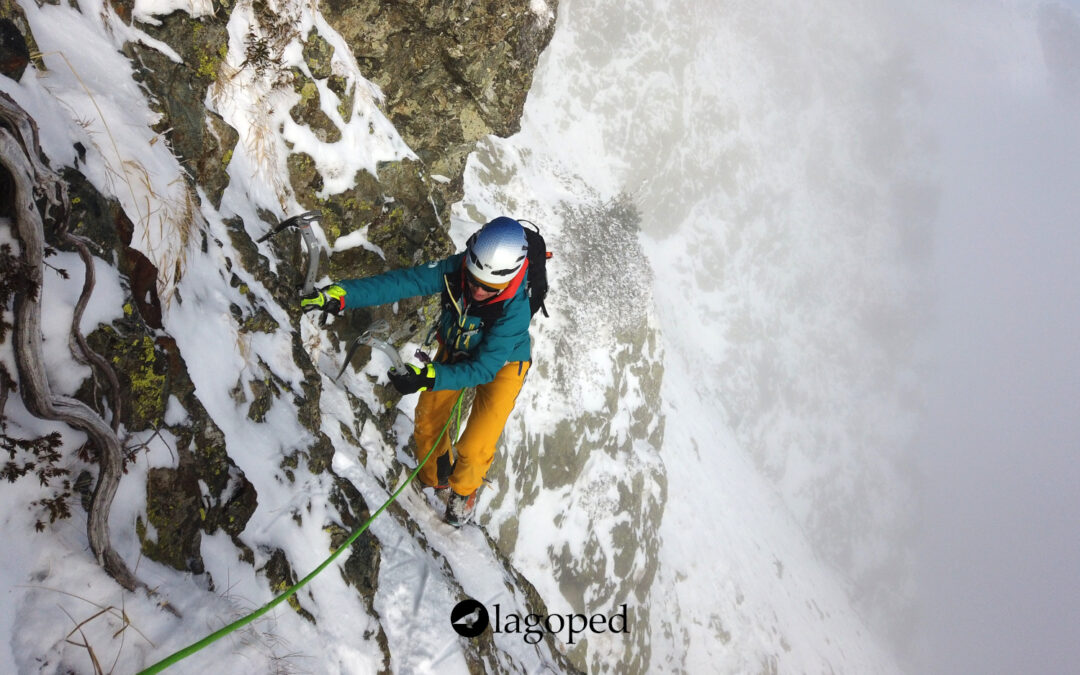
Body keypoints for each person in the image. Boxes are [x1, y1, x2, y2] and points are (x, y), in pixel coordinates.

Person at [300, 217, 533, 526]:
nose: (476, 291)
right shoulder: (458, 268)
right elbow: (403, 282)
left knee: (475, 446)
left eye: (488, 288)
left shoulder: (516, 310)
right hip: (459, 343)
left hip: (503, 363)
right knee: (427, 423)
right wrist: (342, 295)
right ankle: (436, 481)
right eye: (473, 280)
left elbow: (483, 369)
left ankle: (463, 494)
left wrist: (429, 376)